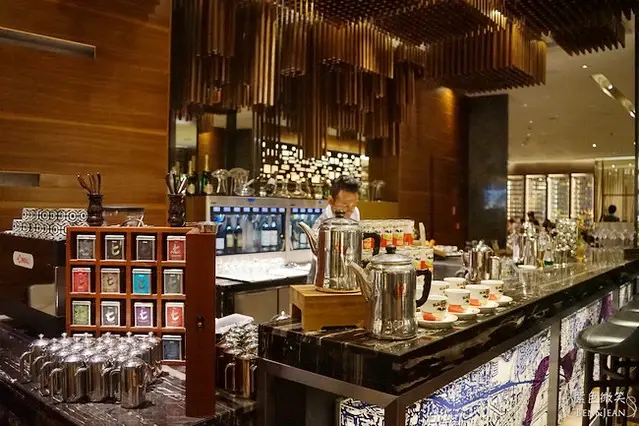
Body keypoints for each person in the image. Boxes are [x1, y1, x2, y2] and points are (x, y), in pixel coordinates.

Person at [306, 176, 361, 283]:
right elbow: (318, 255)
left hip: (346, 274)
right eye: (345, 205)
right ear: (331, 201)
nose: (350, 210)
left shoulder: (355, 212)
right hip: (324, 274)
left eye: (354, 205)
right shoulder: (322, 224)